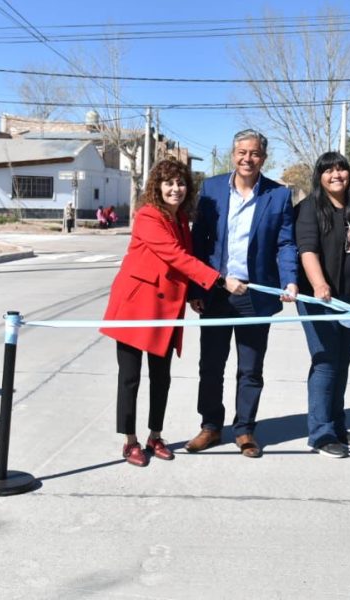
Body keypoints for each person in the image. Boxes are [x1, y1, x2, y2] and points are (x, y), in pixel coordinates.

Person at [100, 159, 246, 466]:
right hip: (135, 306)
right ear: (157, 187)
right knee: (129, 378)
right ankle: (130, 441)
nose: (175, 189)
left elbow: (186, 258)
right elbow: (175, 256)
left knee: (161, 376)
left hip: (166, 308)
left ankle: (155, 436)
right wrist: (220, 280)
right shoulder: (147, 215)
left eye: (180, 183)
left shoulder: (180, 219)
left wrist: (193, 294)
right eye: (169, 183)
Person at [186, 129, 298, 458]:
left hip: (255, 294)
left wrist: (290, 280)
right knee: (211, 365)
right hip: (216, 292)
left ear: (264, 158)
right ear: (233, 154)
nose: (247, 158)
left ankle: (245, 429)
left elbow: (285, 243)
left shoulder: (278, 195)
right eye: (242, 152)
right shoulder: (212, 188)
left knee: (250, 368)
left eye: (254, 153)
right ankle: (210, 426)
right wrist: (196, 287)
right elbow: (199, 242)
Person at [295, 152, 350, 458]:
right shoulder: (309, 208)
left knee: (342, 360)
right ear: (319, 176)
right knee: (326, 361)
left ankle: (337, 424)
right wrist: (319, 284)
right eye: (329, 171)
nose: (336, 175)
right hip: (320, 298)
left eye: (341, 169)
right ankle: (321, 434)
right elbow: (307, 250)